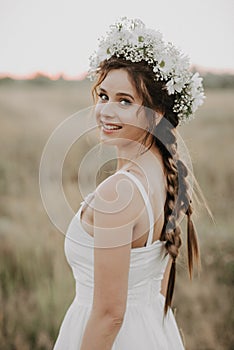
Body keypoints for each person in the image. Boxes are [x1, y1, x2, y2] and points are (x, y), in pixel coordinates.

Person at [53, 17, 209, 349]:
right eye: (104, 95)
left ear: (155, 113)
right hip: (151, 329)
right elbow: (157, 283)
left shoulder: (118, 193)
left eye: (125, 101)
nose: (106, 111)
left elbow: (110, 314)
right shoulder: (165, 172)